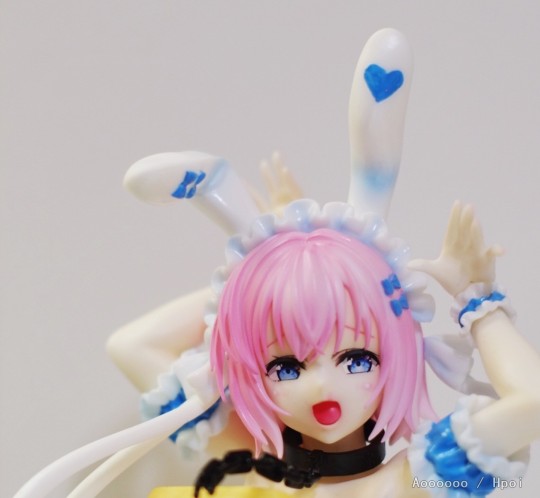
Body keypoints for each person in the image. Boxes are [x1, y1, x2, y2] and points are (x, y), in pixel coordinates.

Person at [13, 28, 540, 498]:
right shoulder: (240, 462)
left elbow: (532, 402)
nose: (323, 387)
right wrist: (259, 273)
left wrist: (479, 301)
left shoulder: (419, 478)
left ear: (396, 350)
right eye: (286, 368)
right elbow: (130, 346)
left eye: (357, 359)